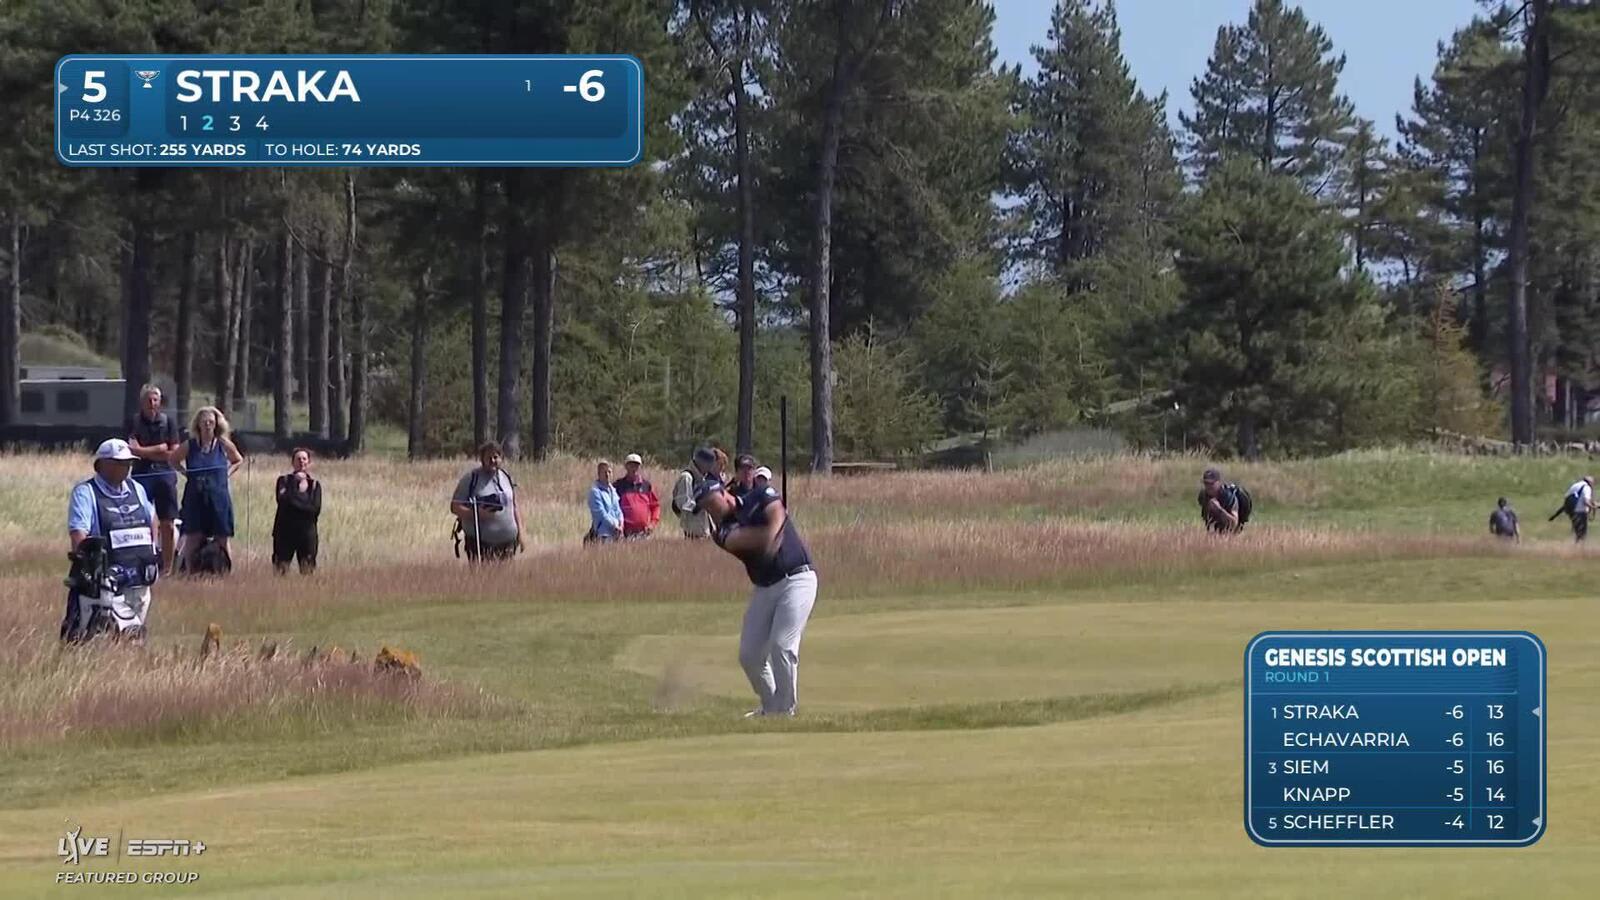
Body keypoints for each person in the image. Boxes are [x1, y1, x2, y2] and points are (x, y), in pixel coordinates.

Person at [695, 468, 819, 718]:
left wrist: (774, 530)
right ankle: (771, 706)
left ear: (723, 493)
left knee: (782, 646)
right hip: (765, 586)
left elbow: (776, 512)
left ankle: (784, 711)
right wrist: (774, 536)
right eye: (705, 508)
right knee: (750, 654)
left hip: (798, 578)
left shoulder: (760, 494)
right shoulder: (722, 533)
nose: (711, 510)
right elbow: (758, 539)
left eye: (711, 502)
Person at [61, 439, 160, 644]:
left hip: (140, 581)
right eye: (120, 463)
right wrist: (92, 571)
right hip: (108, 587)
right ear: (103, 465)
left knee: (134, 641)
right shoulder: (86, 492)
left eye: (128, 463)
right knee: (104, 641)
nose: (127, 468)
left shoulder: (137, 489)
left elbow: (152, 520)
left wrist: (152, 551)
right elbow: (79, 534)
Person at [171, 406, 243, 572]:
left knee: (222, 538)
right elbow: (173, 460)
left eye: (211, 422)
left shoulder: (223, 444)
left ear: (217, 424)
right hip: (195, 497)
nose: (208, 425)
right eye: (204, 422)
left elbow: (238, 460)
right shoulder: (189, 445)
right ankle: (189, 572)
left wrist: (226, 474)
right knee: (193, 537)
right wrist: (186, 474)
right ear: (198, 424)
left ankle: (225, 571)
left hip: (219, 498)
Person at [125, 383, 180, 575]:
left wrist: (144, 451)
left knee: (168, 523)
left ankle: (167, 568)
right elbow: (132, 451)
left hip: (165, 475)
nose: (152, 403)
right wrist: (159, 448)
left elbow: (173, 453)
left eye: (155, 399)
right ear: (141, 402)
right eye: (148, 399)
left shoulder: (169, 422)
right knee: (144, 521)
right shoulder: (133, 422)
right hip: (141, 476)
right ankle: (147, 564)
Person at [450, 441, 524, 562]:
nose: (492, 460)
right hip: (480, 544)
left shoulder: (506, 476)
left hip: (508, 542)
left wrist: (521, 534)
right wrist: (476, 513)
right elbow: (454, 506)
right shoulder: (471, 479)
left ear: (501, 458)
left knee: (507, 580)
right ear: (482, 459)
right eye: (488, 457)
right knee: (482, 579)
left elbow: (514, 506)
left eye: (496, 457)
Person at [272, 448, 323, 574]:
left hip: (307, 534)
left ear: (309, 462)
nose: (301, 462)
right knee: (281, 569)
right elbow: (283, 502)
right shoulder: (283, 481)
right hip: (284, 533)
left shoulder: (315, 485)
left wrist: (294, 504)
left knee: (307, 569)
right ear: (292, 462)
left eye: (304, 459)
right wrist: (295, 485)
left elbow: (314, 509)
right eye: (298, 459)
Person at [671, 446, 719, 540]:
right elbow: (683, 503)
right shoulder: (687, 477)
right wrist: (702, 505)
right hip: (693, 532)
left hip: (705, 531)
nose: (710, 468)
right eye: (709, 464)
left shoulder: (703, 479)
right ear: (701, 462)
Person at [613, 453, 661, 539]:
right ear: (626, 467)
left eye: (636, 466)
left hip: (644, 533)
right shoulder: (618, 486)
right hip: (624, 533)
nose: (634, 469)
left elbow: (655, 506)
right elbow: (612, 507)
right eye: (631, 465)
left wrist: (652, 524)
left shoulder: (646, 486)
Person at [1198, 467, 1247, 534]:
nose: (1208, 487)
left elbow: (1234, 524)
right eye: (1206, 483)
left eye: (1211, 484)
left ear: (1218, 483)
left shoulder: (1228, 497)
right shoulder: (1203, 496)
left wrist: (1219, 509)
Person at [587, 460, 624, 544]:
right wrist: (614, 526)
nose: (607, 475)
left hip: (617, 534)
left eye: (609, 472)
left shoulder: (613, 490)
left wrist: (621, 524)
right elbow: (601, 514)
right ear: (599, 474)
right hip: (604, 534)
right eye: (604, 472)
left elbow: (618, 509)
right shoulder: (595, 492)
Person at [1548, 475, 1595, 542]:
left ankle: (1576, 547)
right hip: (1580, 512)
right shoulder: (1587, 487)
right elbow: (1586, 502)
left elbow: (1567, 502)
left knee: (1577, 532)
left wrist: (1555, 515)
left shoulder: (1575, 486)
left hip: (1572, 511)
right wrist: (1593, 507)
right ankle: (1579, 549)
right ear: (1590, 482)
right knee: (1582, 533)